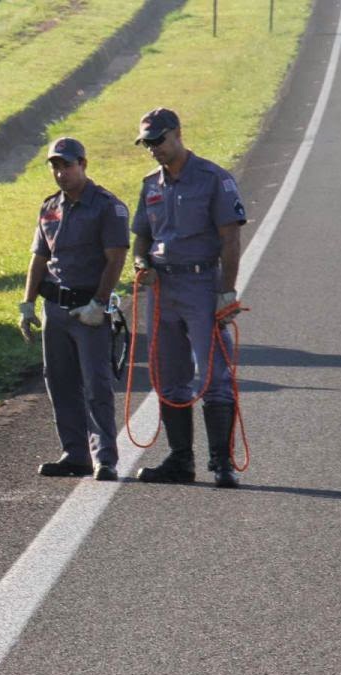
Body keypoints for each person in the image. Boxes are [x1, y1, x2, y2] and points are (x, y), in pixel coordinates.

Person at [130, 108, 246, 488]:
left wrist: (226, 292)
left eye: (158, 140)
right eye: (147, 143)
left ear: (178, 133)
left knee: (213, 374)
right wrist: (140, 263)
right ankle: (181, 460)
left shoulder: (213, 178)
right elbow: (142, 237)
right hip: (162, 288)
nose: (153, 149)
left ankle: (222, 463)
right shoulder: (151, 185)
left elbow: (230, 237)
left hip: (200, 284)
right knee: (167, 375)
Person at [19, 137, 130, 482]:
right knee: (59, 382)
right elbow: (39, 258)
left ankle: (105, 458)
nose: (60, 172)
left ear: (83, 164)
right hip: (55, 308)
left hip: (89, 309)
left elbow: (116, 259)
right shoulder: (49, 206)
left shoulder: (107, 206)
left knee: (96, 384)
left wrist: (99, 303)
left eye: (66, 165)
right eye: (55, 166)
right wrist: (27, 304)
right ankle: (75, 454)